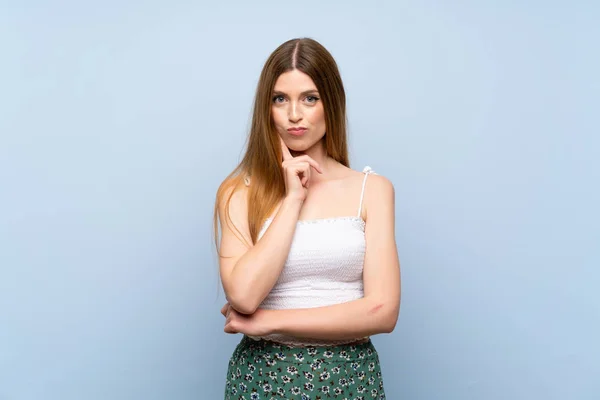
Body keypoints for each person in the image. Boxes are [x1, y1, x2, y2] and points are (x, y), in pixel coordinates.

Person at [214, 37, 401, 400]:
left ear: (331, 103)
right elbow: (244, 297)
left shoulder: (373, 190)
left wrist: (272, 322)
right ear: (266, 109)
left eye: (310, 98)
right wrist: (292, 200)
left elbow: (382, 311)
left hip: (347, 379)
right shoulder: (238, 192)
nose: (294, 114)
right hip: (262, 378)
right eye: (280, 99)